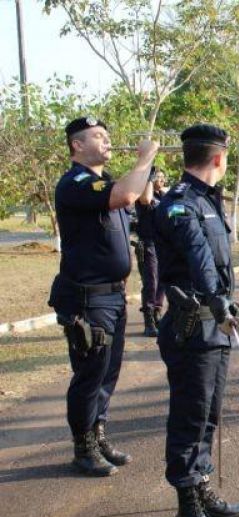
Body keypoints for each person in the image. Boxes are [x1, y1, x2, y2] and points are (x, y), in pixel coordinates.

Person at [47, 117, 158, 476]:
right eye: (98, 136)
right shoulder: (75, 183)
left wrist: (148, 168)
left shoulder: (105, 183)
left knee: (109, 371)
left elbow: (139, 198)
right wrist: (143, 160)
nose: (107, 141)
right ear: (77, 145)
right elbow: (126, 194)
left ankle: (98, 432)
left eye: (108, 136)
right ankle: (83, 446)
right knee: (90, 373)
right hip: (87, 299)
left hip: (113, 296)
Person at [154, 124, 239, 517]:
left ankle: (202, 484)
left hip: (216, 328)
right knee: (190, 415)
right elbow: (199, 257)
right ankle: (187, 502)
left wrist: (224, 306)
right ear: (218, 158)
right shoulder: (179, 203)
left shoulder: (210, 200)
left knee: (210, 414)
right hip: (192, 327)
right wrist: (217, 298)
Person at [135, 167, 168, 336]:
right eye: (158, 177)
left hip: (162, 244)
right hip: (148, 244)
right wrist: (148, 177)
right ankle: (148, 321)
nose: (162, 180)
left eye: (163, 177)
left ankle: (157, 314)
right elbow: (146, 199)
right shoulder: (143, 196)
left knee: (163, 280)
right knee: (151, 282)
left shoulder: (162, 196)